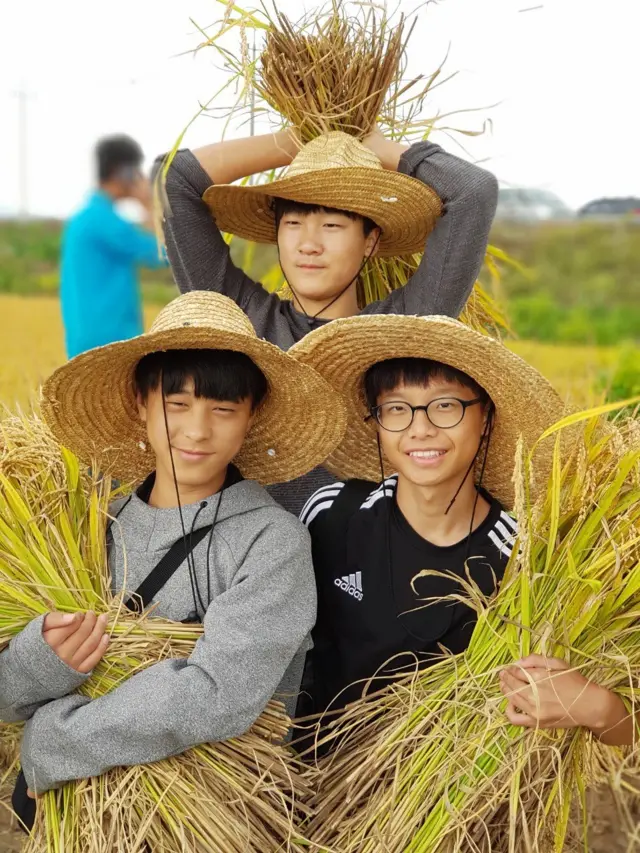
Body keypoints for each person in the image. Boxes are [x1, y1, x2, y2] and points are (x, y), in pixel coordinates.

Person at [0, 291, 346, 814]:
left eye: (223, 410)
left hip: (209, 814)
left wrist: (58, 741)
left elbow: (218, 694)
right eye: (176, 405)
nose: (196, 431)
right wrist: (41, 660)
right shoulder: (86, 530)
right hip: (69, 811)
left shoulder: (271, 543)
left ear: (251, 416)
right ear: (141, 404)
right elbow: (8, 698)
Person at [291, 314, 638, 746]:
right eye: (397, 408)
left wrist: (595, 706)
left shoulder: (522, 560)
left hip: (443, 803)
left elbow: (624, 731)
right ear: (377, 423)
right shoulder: (332, 513)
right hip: (300, 789)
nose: (421, 428)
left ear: (486, 419)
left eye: (446, 406)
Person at [155, 126, 499, 515]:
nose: (309, 244)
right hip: (248, 560)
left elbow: (474, 191)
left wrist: (370, 144)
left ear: (370, 241)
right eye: (294, 223)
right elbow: (169, 179)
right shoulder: (239, 317)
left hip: (364, 563)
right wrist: (297, 140)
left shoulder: (401, 328)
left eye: (332, 226)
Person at [60, 134, 168, 358]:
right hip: (109, 340)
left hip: (86, 337)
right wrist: (148, 204)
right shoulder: (105, 221)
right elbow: (162, 254)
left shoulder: (86, 217)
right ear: (124, 172)